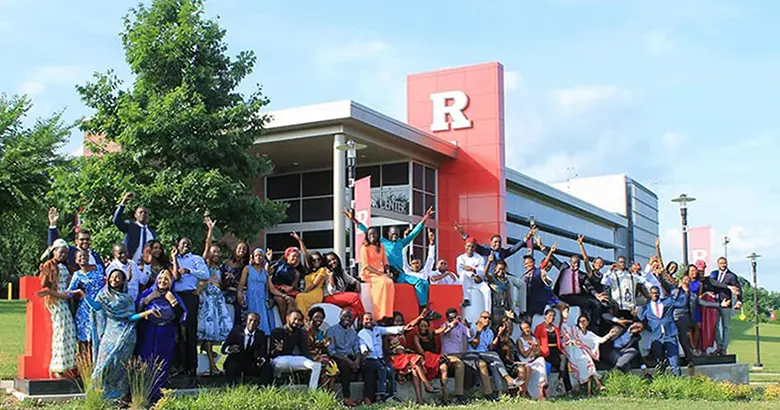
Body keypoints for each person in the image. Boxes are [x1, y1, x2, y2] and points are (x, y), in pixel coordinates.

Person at [78, 269, 161, 400]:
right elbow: (96, 307)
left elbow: (130, 317)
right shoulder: (103, 295)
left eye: (117, 278)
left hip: (126, 336)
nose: (114, 280)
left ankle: (117, 395)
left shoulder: (127, 299)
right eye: (111, 277)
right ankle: (96, 394)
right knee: (104, 363)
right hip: (109, 335)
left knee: (120, 367)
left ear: (123, 281)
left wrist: (147, 313)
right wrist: (83, 295)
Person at [135, 269, 187, 403]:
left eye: (166, 279)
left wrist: (172, 301)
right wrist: (147, 300)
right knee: (145, 359)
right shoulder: (148, 293)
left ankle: (157, 394)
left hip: (166, 332)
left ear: (171, 282)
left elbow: (181, 316)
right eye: (160, 278)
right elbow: (136, 312)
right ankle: (140, 392)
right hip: (148, 331)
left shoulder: (174, 296)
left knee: (161, 361)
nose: (162, 281)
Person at [347, 206, 435, 274]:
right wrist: (353, 219)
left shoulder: (401, 243)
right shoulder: (382, 241)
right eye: (393, 234)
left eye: (397, 234)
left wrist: (426, 217)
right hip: (387, 272)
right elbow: (367, 230)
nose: (395, 236)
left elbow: (414, 233)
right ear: (388, 234)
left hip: (400, 273)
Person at [36, 238, 78, 378]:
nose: (63, 254)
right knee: (61, 331)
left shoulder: (67, 266)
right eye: (61, 252)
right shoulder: (49, 265)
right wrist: (44, 272)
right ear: (54, 251)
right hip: (55, 300)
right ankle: (57, 367)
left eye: (66, 252)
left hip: (65, 300)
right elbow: (44, 284)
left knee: (69, 331)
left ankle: (67, 365)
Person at [199, 217, 234, 375]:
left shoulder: (220, 268)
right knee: (208, 331)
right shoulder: (204, 264)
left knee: (216, 332)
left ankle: (211, 358)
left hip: (217, 300)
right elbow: (206, 247)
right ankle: (212, 365)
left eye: (218, 252)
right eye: (214, 252)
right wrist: (210, 230)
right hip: (207, 299)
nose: (216, 254)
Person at [357, 312, 415, 405]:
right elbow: (362, 344)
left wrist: (403, 328)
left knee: (390, 369)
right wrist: (364, 351)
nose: (369, 321)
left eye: (370, 319)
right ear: (362, 321)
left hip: (380, 358)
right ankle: (380, 395)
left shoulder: (377, 330)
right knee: (381, 369)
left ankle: (391, 395)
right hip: (369, 359)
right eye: (366, 319)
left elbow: (389, 330)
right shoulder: (361, 333)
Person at [171, 238, 210, 376]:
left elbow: (206, 274)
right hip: (174, 297)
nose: (186, 245)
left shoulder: (196, 259)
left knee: (190, 332)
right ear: (178, 246)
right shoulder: (173, 258)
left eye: (188, 243)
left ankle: (191, 367)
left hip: (189, 296)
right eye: (183, 243)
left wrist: (189, 271)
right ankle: (178, 366)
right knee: (176, 332)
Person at [547, 236, 604, 330]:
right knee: (585, 303)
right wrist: (543, 247)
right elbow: (553, 260)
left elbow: (589, 286)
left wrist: (596, 295)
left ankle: (591, 326)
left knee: (595, 303)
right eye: (574, 263)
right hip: (562, 296)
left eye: (577, 264)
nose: (575, 265)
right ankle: (580, 322)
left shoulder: (581, 275)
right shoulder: (564, 268)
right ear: (570, 263)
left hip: (575, 297)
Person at [385, 311, 439, 404]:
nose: (399, 323)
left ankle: (420, 400)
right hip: (394, 359)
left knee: (415, 369)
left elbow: (410, 325)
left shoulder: (402, 332)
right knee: (416, 357)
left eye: (401, 321)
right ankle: (427, 385)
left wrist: (420, 317)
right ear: (392, 322)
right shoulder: (387, 334)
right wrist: (394, 351)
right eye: (397, 321)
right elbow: (386, 351)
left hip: (405, 357)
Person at [560, 307, 615, 396]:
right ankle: (598, 385)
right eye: (580, 321)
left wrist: (609, 335)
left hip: (582, 352)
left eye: (584, 321)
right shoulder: (571, 328)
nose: (582, 323)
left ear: (587, 323)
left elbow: (600, 340)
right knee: (588, 367)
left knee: (590, 367)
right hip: (574, 352)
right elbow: (565, 334)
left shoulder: (586, 333)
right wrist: (571, 341)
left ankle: (591, 391)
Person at [464, 311, 523, 392]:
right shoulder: (472, 329)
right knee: (494, 355)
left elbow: (490, 347)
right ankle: (508, 379)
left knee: (494, 365)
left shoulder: (490, 332)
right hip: (473, 354)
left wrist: (498, 334)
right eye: (484, 317)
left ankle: (500, 392)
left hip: (485, 355)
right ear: (479, 318)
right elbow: (474, 346)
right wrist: (478, 332)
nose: (487, 320)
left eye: (489, 318)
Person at [639, 285, 687, 376]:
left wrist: (684, 292)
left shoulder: (668, 302)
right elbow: (640, 319)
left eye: (657, 293)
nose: (655, 294)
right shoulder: (646, 307)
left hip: (670, 335)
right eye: (653, 293)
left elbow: (681, 304)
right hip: (656, 337)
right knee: (659, 362)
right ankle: (661, 380)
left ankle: (678, 381)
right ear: (649, 294)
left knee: (674, 361)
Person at [270, 309, 322, 390]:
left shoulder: (299, 333)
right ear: (288, 318)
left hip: (291, 358)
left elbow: (304, 351)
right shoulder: (277, 331)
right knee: (284, 361)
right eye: (295, 319)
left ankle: (312, 391)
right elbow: (271, 352)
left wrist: (313, 359)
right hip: (278, 360)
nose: (297, 322)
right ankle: (276, 380)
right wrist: (277, 350)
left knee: (317, 365)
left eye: (299, 320)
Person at [67, 249, 106, 357]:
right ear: (76, 260)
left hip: (100, 306)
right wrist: (54, 293)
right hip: (85, 309)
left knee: (99, 336)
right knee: (84, 339)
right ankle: (85, 367)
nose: (82, 257)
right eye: (79, 256)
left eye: (84, 255)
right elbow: (70, 292)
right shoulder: (77, 275)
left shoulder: (99, 268)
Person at [413, 317, 460, 403]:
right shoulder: (416, 337)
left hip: (436, 358)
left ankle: (444, 395)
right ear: (418, 327)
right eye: (421, 326)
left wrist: (451, 324)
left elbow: (442, 330)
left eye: (425, 326)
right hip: (424, 358)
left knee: (444, 368)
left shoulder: (431, 333)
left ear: (428, 327)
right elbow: (421, 351)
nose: (423, 328)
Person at [47, 207, 105, 276]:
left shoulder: (95, 254)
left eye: (87, 239)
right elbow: (55, 244)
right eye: (82, 239)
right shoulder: (70, 252)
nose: (85, 241)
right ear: (76, 241)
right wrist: (53, 225)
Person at [221, 312, 273, 386]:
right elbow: (223, 349)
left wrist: (262, 358)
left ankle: (262, 388)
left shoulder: (260, 335)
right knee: (230, 365)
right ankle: (232, 387)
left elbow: (263, 353)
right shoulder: (236, 331)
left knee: (268, 367)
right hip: (237, 361)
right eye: (250, 320)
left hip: (251, 362)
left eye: (255, 321)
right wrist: (230, 349)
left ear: (258, 324)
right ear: (246, 321)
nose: (252, 323)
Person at [436, 308, 474, 403]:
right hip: (448, 356)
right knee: (459, 365)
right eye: (451, 318)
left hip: (460, 355)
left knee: (477, 362)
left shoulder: (461, 326)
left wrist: (465, 325)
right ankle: (459, 394)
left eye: (455, 317)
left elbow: (471, 334)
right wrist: (451, 325)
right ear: (447, 318)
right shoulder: (444, 326)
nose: (453, 319)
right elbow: (445, 332)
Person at [238, 248, 280, 335]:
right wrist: (240, 293)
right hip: (251, 297)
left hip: (262, 298)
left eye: (260, 255)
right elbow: (241, 284)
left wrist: (283, 295)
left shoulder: (265, 272)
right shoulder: (247, 268)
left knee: (263, 319)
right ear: (253, 257)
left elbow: (271, 288)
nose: (258, 257)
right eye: (256, 255)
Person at [326, 308, 362, 407]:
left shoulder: (353, 333)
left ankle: (368, 397)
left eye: (350, 317)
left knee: (369, 364)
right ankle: (347, 397)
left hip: (351, 357)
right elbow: (331, 351)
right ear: (340, 316)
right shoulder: (331, 330)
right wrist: (349, 361)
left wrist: (357, 361)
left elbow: (357, 349)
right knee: (345, 365)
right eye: (345, 316)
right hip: (338, 357)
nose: (348, 319)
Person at [400, 229, 440, 318]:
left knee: (425, 282)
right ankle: (424, 308)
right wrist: (406, 238)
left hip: (425, 297)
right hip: (410, 296)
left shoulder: (424, 272)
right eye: (413, 263)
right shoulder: (407, 271)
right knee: (422, 282)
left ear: (421, 263)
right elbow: (403, 256)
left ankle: (425, 310)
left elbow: (430, 258)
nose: (416, 265)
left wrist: (432, 243)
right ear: (410, 264)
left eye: (417, 263)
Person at [360, 227, 395, 321]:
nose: (372, 236)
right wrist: (380, 273)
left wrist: (388, 272)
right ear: (367, 236)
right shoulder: (364, 247)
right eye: (370, 234)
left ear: (378, 235)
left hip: (380, 274)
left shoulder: (381, 246)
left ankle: (388, 313)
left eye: (374, 234)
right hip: (369, 274)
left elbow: (385, 262)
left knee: (390, 282)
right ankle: (379, 315)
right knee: (383, 283)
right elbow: (366, 265)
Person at [534, 309, 572, 394]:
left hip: (556, 350)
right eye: (550, 315)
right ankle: (568, 388)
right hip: (546, 351)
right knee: (563, 365)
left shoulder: (555, 328)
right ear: (545, 316)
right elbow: (536, 340)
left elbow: (559, 341)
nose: (552, 317)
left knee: (564, 359)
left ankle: (561, 381)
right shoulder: (539, 327)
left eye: (553, 316)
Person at [112, 192, 156, 264]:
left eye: (145, 213)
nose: (143, 214)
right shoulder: (130, 226)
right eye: (140, 212)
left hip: (146, 267)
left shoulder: (151, 233)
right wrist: (123, 203)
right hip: (130, 264)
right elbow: (116, 220)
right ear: (135, 215)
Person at [710, 257, 742, 355]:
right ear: (718, 264)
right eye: (721, 263)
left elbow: (738, 289)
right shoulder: (714, 274)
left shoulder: (731, 276)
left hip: (726, 304)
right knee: (714, 325)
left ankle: (724, 348)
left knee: (726, 326)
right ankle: (718, 346)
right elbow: (713, 283)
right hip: (715, 303)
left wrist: (739, 301)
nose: (723, 265)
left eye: (724, 263)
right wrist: (728, 287)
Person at [526, 241, 567, 317]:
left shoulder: (548, 275)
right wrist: (550, 251)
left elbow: (549, 288)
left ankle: (561, 327)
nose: (548, 267)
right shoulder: (537, 272)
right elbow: (544, 264)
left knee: (565, 306)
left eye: (550, 267)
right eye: (547, 266)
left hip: (550, 297)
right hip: (542, 299)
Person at [322, 252, 365, 319]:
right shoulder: (326, 273)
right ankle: (364, 320)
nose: (332, 262)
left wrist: (357, 283)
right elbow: (331, 291)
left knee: (352, 311)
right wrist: (331, 276)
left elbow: (352, 280)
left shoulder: (341, 272)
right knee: (354, 297)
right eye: (329, 261)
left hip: (340, 297)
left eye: (334, 259)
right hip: (330, 298)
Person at [268, 244, 306, 320]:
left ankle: (289, 322)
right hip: (274, 291)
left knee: (291, 301)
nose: (296, 258)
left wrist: (289, 288)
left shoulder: (297, 273)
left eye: (298, 257)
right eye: (294, 256)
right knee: (280, 300)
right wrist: (268, 260)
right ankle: (283, 323)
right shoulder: (278, 264)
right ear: (287, 256)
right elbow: (268, 272)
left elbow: (293, 287)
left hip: (287, 293)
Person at [295, 232, 329, 315]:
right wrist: (300, 241)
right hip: (308, 292)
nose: (316, 261)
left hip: (315, 293)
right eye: (314, 260)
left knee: (300, 297)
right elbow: (305, 254)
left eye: (318, 259)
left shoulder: (322, 270)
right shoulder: (310, 270)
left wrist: (304, 292)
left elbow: (314, 284)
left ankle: (304, 319)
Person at [306, 307, 338, 391]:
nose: (319, 319)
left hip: (321, 356)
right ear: (311, 317)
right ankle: (324, 395)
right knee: (326, 366)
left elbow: (321, 346)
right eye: (316, 317)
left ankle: (331, 395)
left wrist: (325, 344)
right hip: (310, 357)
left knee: (332, 365)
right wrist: (317, 355)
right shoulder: (306, 331)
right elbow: (306, 348)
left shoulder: (320, 332)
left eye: (321, 318)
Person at [220, 242, 250, 327]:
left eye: (244, 249)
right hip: (227, 291)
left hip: (240, 292)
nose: (242, 250)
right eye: (240, 248)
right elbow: (221, 282)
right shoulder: (225, 264)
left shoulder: (246, 266)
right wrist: (227, 279)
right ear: (235, 249)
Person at [517, 321, 548, 400]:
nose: (526, 330)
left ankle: (542, 384)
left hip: (533, 360)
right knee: (529, 367)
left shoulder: (535, 339)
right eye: (524, 329)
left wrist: (535, 349)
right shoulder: (520, 340)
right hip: (525, 362)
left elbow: (538, 353)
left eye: (527, 328)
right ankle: (525, 392)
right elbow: (524, 354)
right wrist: (531, 348)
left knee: (541, 359)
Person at [456, 239, 490, 310]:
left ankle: (488, 311)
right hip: (466, 281)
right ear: (465, 246)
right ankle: (466, 299)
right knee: (463, 274)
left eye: (472, 246)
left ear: (475, 248)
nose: (470, 248)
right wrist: (473, 272)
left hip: (477, 281)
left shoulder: (480, 258)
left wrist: (473, 269)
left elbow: (481, 272)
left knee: (487, 290)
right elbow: (460, 271)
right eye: (468, 246)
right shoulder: (460, 258)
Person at [485, 256, 513, 323]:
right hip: (495, 308)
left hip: (504, 308)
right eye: (499, 269)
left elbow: (508, 295)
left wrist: (510, 308)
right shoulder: (492, 279)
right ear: (495, 269)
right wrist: (489, 262)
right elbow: (485, 274)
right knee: (495, 326)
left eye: (503, 269)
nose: (501, 271)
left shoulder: (506, 281)